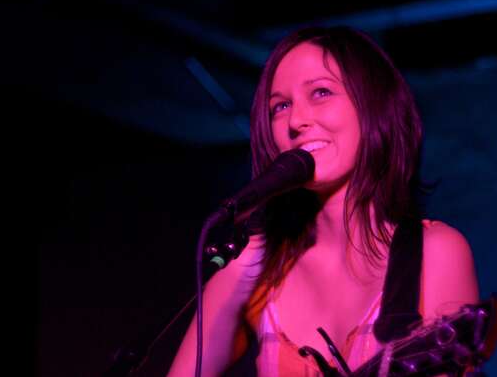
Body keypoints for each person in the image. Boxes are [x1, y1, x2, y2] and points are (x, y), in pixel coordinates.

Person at [167, 26, 479, 376]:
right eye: (280, 106)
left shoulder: (435, 252)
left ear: (373, 107)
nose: (296, 120)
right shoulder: (248, 265)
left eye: (320, 92)